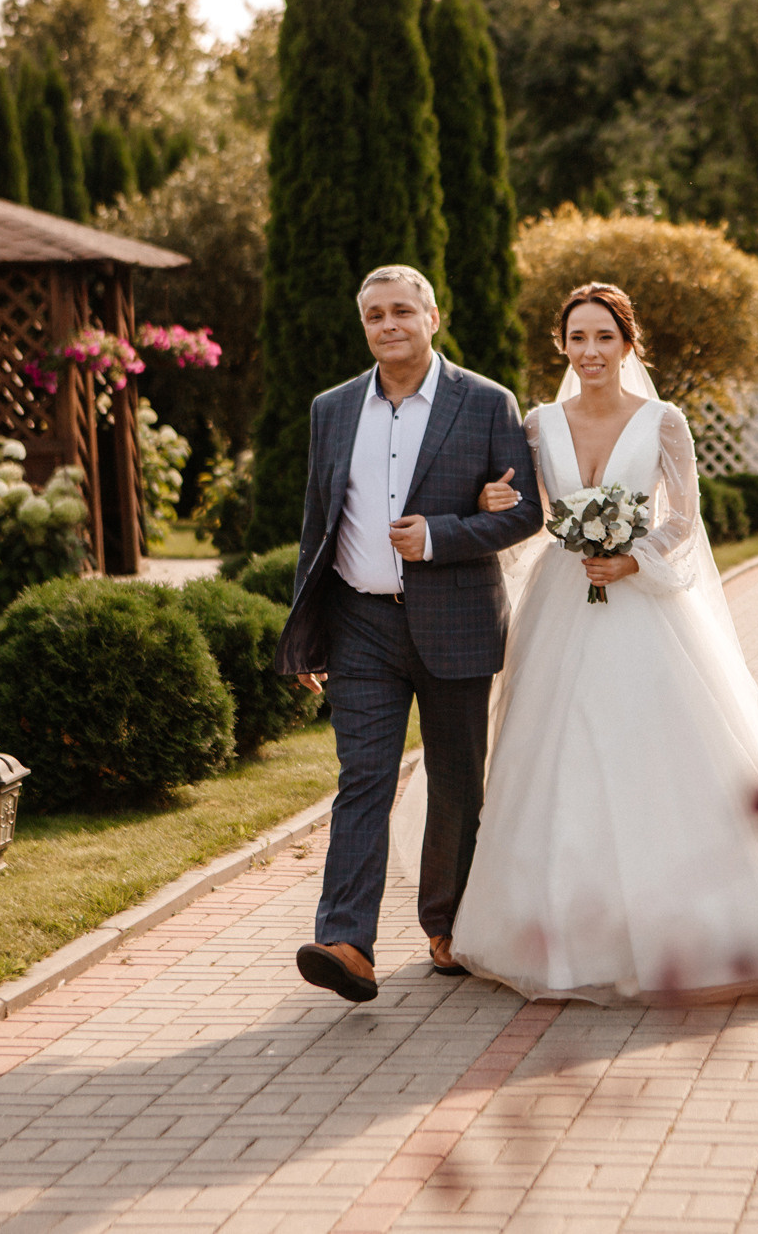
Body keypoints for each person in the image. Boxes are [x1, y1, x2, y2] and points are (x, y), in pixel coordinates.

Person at [446, 282, 758, 1003]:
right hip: (563, 598)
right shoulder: (536, 424)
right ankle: (557, 932)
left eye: (603, 336)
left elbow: (684, 519)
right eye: (577, 338)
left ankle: (694, 925)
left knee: (653, 749)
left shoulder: (663, 421)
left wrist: (631, 558)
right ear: (561, 345)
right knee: (555, 751)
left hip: (640, 600)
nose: (590, 351)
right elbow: (528, 511)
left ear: (628, 344)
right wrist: (491, 503)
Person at [274, 264, 542, 1003]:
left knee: (457, 782)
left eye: (401, 311)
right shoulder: (331, 409)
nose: (388, 325)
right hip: (360, 624)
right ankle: (346, 940)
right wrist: (310, 630)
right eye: (374, 316)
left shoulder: (487, 402)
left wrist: (443, 533)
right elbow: (315, 525)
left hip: (456, 619)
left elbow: (524, 513)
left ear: (433, 317)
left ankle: (447, 923)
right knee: (363, 776)